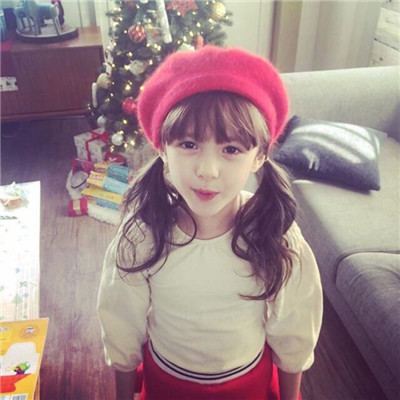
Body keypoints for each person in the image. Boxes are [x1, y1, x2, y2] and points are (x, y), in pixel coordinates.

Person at [97, 45, 323, 400]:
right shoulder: (140, 236)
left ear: (259, 157)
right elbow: (121, 328)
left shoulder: (275, 234)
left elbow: (294, 334)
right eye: (189, 144)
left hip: (247, 387)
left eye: (231, 149)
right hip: (167, 385)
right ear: (163, 149)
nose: (207, 170)